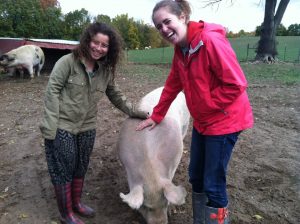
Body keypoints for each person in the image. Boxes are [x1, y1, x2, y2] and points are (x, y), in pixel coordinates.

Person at [136, 0, 254, 223]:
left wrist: (205, 106)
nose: (163, 29)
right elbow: (173, 83)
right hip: (204, 121)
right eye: (158, 26)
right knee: (196, 177)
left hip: (224, 121)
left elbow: (236, 84)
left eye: (167, 21)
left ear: (182, 16)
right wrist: (157, 115)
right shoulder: (181, 49)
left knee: (213, 183)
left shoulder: (210, 41)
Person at [40, 22, 147, 224]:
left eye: (104, 45)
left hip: (87, 126)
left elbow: (115, 95)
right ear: (87, 41)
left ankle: (77, 203)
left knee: (81, 165)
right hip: (63, 124)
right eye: (95, 42)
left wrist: (137, 112)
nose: (98, 48)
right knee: (65, 167)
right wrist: (51, 125)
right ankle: (66, 213)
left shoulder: (104, 70)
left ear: (109, 49)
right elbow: (52, 91)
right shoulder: (68, 62)